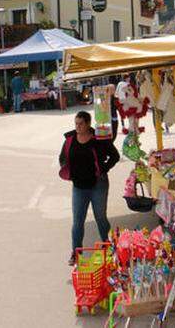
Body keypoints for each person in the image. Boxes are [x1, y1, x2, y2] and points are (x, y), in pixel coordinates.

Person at [59, 110, 120, 264]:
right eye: (76, 123)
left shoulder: (98, 138)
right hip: (79, 187)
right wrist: (69, 171)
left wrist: (103, 169)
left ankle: (109, 248)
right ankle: (76, 253)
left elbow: (115, 156)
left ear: (88, 124)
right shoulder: (70, 139)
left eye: (81, 124)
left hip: (98, 185)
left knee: (100, 218)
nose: (78, 127)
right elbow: (62, 158)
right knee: (78, 221)